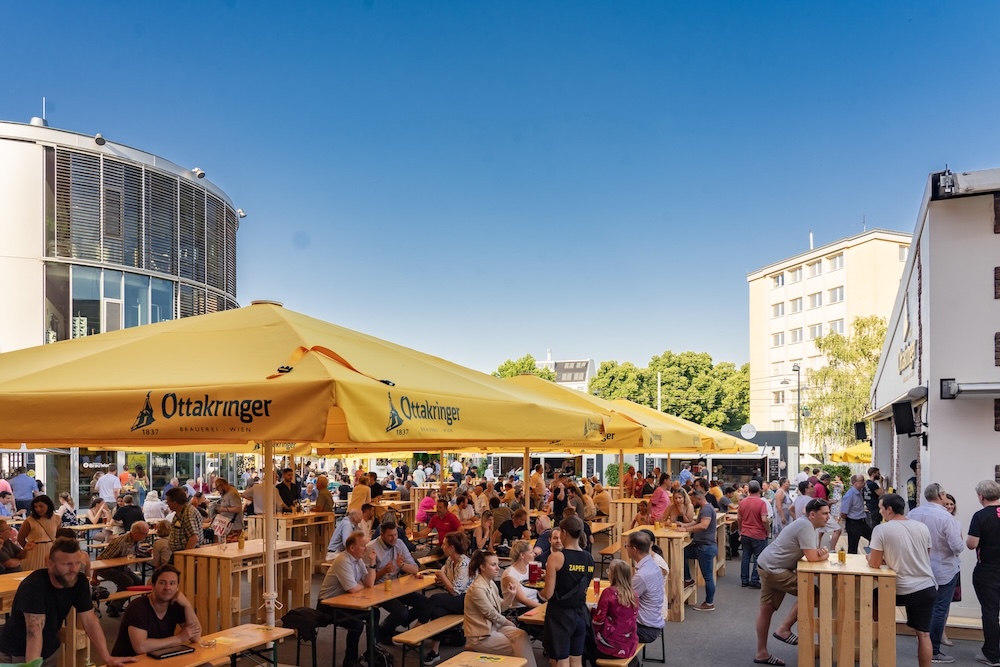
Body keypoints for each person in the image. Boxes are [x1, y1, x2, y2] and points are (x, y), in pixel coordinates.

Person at [0, 538, 134, 667]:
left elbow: (90, 621)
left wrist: (107, 658)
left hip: (49, 649)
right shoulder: (34, 585)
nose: (73, 569)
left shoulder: (79, 581)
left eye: (77, 563)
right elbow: (34, 633)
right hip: (15, 653)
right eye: (67, 564)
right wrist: (33, 666)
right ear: (50, 564)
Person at [754, 498, 832, 667]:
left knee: (766, 609)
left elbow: (810, 552)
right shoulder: (805, 526)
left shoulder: (804, 524)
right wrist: (824, 555)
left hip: (767, 564)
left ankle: (761, 653)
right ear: (812, 515)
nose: (828, 517)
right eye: (825, 513)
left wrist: (817, 553)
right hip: (775, 569)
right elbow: (812, 557)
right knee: (813, 593)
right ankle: (783, 629)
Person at [867, 493, 936, 667]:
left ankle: (877, 634)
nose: (880, 511)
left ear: (889, 509)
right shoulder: (922, 527)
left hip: (898, 588)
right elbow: (924, 555)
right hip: (926, 586)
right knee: (924, 635)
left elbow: (874, 563)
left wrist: (878, 558)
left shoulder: (881, 529)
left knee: (874, 598)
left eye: (881, 508)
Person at [908, 483, 963, 663]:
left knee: (922, 607)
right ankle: (934, 650)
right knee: (940, 609)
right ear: (941, 495)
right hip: (944, 569)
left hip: (919, 568)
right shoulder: (947, 518)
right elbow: (958, 546)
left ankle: (922, 643)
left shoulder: (913, 513)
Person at [463, 549, 536, 666]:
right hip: (481, 635)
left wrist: (511, 596)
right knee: (517, 648)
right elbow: (491, 613)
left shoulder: (491, 583)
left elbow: (501, 608)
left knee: (522, 636)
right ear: (482, 567)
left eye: (497, 564)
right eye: (493, 565)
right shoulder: (477, 589)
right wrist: (508, 623)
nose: (498, 568)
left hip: (495, 627)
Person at [110, 563, 200, 656]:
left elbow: (196, 637)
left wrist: (188, 605)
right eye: (162, 583)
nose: (167, 588)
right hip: (129, 661)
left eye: (172, 583)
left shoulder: (176, 604)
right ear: (153, 586)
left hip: (159, 657)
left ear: (177, 587)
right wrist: (179, 638)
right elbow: (140, 647)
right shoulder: (137, 607)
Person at [411, 531, 472, 664]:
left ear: (451, 548)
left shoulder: (464, 564)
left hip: (466, 600)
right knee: (437, 612)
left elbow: (456, 591)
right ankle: (435, 652)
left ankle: (418, 626)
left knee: (435, 598)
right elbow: (441, 576)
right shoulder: (450, 561)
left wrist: (443, 578)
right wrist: (427, 575)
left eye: (444, 544)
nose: (441, 546)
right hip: (455, 599)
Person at [541, 515, 594, 667]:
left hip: (560, 616)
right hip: (580, 614)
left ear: (563, 532)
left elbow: (548, 594)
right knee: (576, 660)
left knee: (561, 661)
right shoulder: (589, 558)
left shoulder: (557, 557)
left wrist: (540, 592)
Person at [317, 531, 375, 667]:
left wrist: (372, 563)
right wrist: (359, 585)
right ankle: (350, 661)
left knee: (374, 613)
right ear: (352, 548)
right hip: (327, 605)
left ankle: (372, 653)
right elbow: (353, 589)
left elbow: (369, 583)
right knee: (357, 624)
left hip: (344, 602)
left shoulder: (358, 560)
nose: (365, 549)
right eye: (362, 546)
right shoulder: (343, 560)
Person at [366, 521, 419, 643]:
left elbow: (415, 569)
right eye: (390, 535)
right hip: (377, 589)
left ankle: (386, 628)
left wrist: (402, 565)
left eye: (395, 534)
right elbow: (367, 581)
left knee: (425, 604)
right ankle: (386, 631)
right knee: (401, 612)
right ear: (382, 535)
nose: (394, 538)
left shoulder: (399, 544)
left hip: (395, 586)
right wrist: (384, 571)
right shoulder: (371, 548)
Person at [968, 480, 1000, 666]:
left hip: (988, 570)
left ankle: (991, 654)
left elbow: (972, 544)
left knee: (990, 612)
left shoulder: (980, 516)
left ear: (981, 496)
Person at [97, 521, 151, 617]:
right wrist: (94, 577)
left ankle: (115, 602)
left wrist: (145, 551)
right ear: (135, 533)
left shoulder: (135, 540)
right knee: (127, 581)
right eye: (144, 534)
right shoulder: (120, 542)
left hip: (121, 567)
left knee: (138, 582)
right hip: (107, 568)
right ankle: (113, 606)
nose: (146, 536)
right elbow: (100, 559)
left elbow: (134, 551)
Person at [590, 559, 639, 663]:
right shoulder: (634, 595)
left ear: (613, 575)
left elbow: (599, 621)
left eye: (609, 571)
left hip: (610, 647)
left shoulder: (609, 592)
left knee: (585, 643)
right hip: (630, 644)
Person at [678, 490, 718, 611]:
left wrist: (686, 530)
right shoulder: (707, 507)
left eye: (693, 500)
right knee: (682, 553)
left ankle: (709, 603)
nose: (692, 503)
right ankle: (688, 579)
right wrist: (685, 525)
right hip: (702, 546)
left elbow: (703, 525)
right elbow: (697, 522)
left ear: (698, 498)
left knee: (708, 577)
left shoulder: (705, 509)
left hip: (705, 547)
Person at [625, 530, 664, 645]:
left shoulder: (642, 575)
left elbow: (625, 599)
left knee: (599, 629)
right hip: (655, 621)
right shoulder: (653, 566)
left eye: (627, 545)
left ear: (634, 550)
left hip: (644, 628)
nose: (625, 548)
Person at [738, 481, 770, 589]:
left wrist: (740, 530)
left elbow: (739, 518)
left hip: (745, 532)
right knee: (758, 557)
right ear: (759, 490)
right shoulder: (761, 503)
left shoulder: (742, 502)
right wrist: (767, 530)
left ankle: (744, 580)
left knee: (745, 557)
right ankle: (754, 580)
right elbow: (764, 519)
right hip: (758, 533)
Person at [18, 495, 61, 571]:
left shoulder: (56, 519)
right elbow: (20, 538)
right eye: (35, 507)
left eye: (41, 506)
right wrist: (28, 549)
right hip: (34, 552)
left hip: (51, 549)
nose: (38, 509)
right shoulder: (29, 521)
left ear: (48, 505)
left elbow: (59, 536)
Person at [502, 539, 541, 612]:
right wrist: (545, 608)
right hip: (518, 611)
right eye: (531, 552)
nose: (534, 554)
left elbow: (539, 589)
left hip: (535, 606)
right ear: (522, 555)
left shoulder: (531, 567)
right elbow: (523, 600)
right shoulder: (509, 574)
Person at [165, 488, 201, 555]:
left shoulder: (188, 513)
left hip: (184, 554)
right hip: (178, 553)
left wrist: (185, 556)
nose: (167, 504)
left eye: (168, 502)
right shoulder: (180, 512)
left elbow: (194, 538)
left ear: (175, 503)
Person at [839, 474, 869, 554]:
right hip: (853, 522)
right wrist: (848, 522)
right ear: (854, 482)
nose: (864, 482)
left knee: (873, 537)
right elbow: (843, 512)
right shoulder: (850, 495)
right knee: (853, 547)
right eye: (862, 481)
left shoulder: (859, 492)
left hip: (861, 522)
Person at [212, 478, 244, 542]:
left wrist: (224, 509)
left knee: (232, 546)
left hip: (234, 526)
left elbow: (238, 508)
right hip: (226, 525)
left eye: (219, 489)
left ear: (222, 486)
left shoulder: (232, 494)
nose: (218, 491)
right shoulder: (226, 493)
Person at [863, 467, 885, 532]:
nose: (879, 475)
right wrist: (881, 483)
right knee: (875, 526)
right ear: (873, 474)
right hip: (875, 507)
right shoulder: (873, 484)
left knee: (871, 525)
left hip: (868, 506)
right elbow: (881, 494)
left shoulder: (866, 483)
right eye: (878, 473)